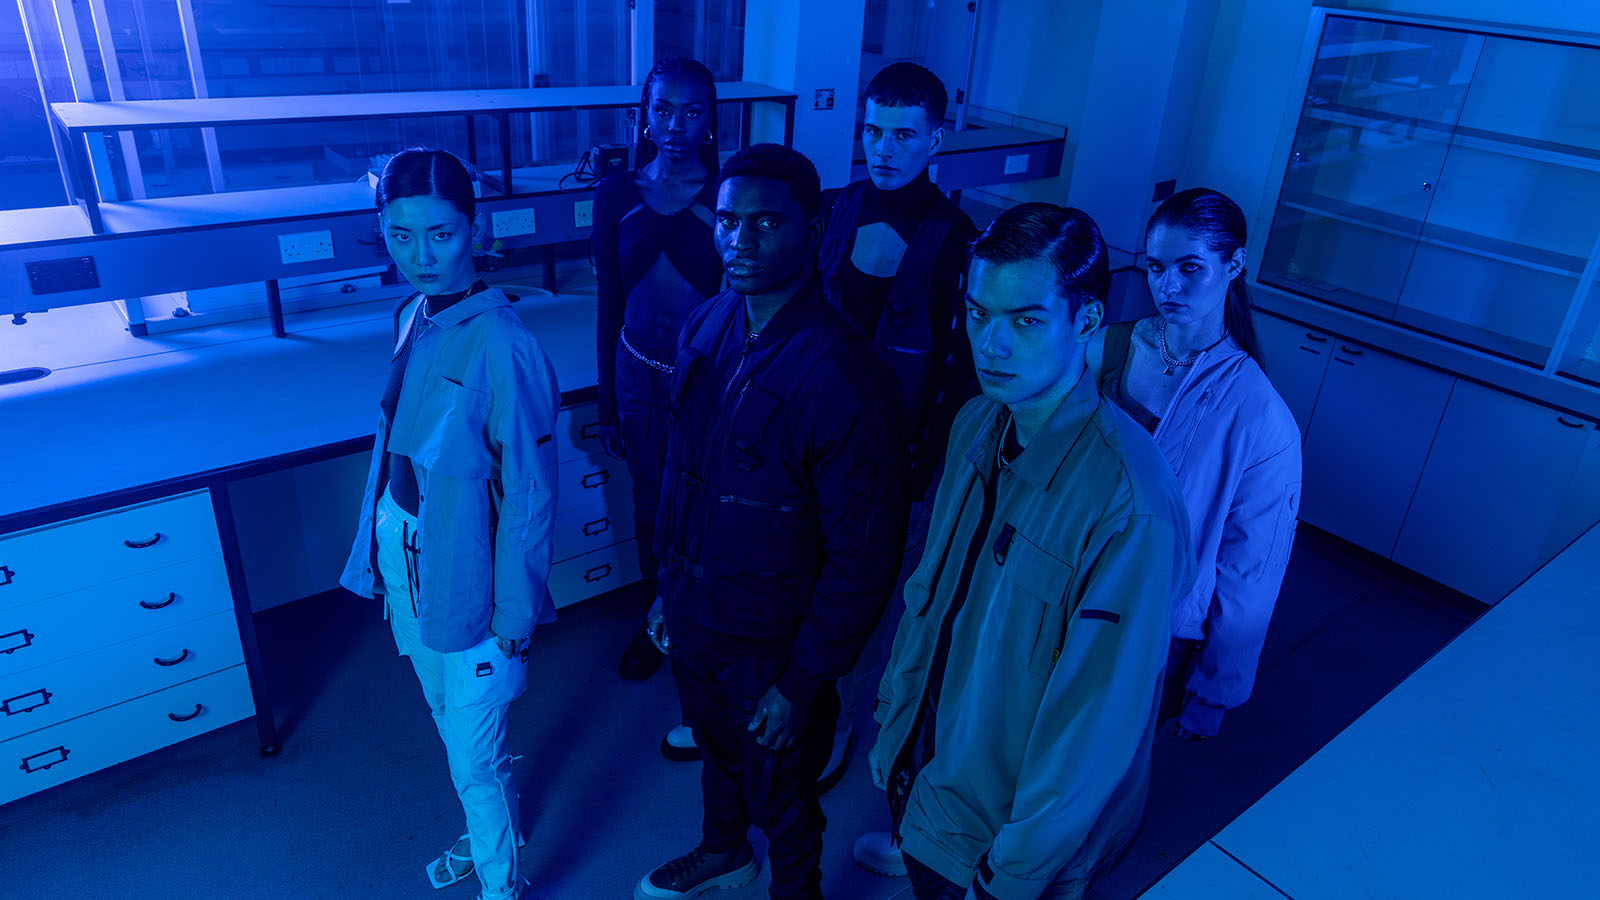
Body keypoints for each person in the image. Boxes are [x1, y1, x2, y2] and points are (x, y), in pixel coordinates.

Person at [868, 203, 1194, 900]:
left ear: (1085, 322)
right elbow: (933, 599)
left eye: (1024, 321)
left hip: (1007, 848)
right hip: (932, 789)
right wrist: (894, 732)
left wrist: (1009, 876)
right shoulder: (979, 421)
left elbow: (1093, 726)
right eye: (979, 314)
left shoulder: (1128, 504)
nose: (991, 346)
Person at [635, 144, 908, 900]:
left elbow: (864, 557)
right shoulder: (707, 326)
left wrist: (802, 679)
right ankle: (723, 851)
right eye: (727, 221)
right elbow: (686, 480)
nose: (741, 242)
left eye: (766, 223)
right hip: (697, 613)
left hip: (774, 643)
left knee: (784, 794)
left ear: (812, 229)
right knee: (719, 755)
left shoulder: (849, 379)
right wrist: (667, 587)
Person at [340, 148, 560, 900]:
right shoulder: (410, 315)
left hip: (469, 573)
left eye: (439, 234)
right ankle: (485, 825)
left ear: (476, 228)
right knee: (445, 714)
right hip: (406, 552)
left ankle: (501, 884)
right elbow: (391, 437)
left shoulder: (505, 345)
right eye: (400, 236)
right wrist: (374, 549)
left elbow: (530, 497)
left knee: (472, 750)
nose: (420, 256)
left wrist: (515, 620)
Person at [817, 60, 977, 793]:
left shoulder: (957, 240)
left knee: (872, 594)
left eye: (903, 134)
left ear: (935, 139)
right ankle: (802, 700)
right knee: (808, 577)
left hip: (896, 459)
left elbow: (962, 374)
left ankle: (845, 718)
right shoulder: (837, 206)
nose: (883, 147)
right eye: (873, 129)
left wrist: (922, 471)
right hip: (815, 444)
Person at [1090, 187, 1301, 739]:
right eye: (1157, 267)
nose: (1168, 286)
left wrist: (1214, 689)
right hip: (1068, 586)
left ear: (1234, 264)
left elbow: (1251, 565)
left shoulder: (1260, 416)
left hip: (1153, 628)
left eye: (1190, 268)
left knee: (1099, 773)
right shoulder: (1107, 349)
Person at [591, 57, 725, 761]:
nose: (676, 126)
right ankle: (656, 622)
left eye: (693, 111)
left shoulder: (730, 194)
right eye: (663, 110)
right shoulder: (615, 194)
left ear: (711, 120)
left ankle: (702, 627)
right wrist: (608, 402)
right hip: (638, 376)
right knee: (650, 504)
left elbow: (741, 304)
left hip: (707, 380)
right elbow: (609, 305)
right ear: (643, 114)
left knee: (707, 507)